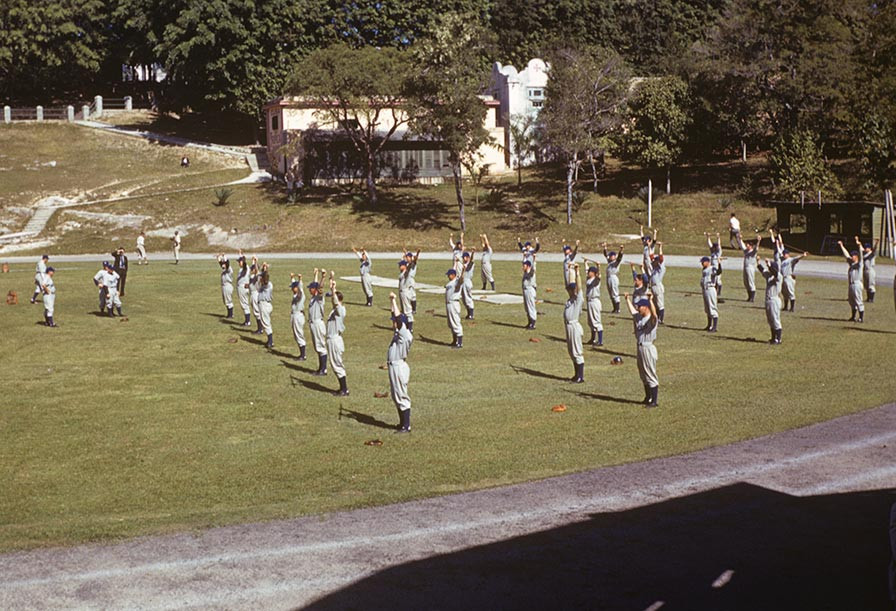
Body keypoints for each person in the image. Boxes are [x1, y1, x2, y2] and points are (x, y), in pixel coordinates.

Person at [626, 292, 659, 408]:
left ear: (646, 307)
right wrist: (627, 299)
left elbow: (655, 315)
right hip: (639, 347)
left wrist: (651, 300)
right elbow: (632, 312)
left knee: (650, 373)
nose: (637, 308)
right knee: (643, 374)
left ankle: (654, 400)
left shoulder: (651, 319)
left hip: (648, 347)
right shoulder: (639, 317)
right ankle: (648, 397)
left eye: (639, 306)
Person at [387, 291, 413, 433]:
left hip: (399, 366)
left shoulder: (405, 334)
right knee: (396, 395)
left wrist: (394, 300)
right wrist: (391, 303)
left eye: (394, 322)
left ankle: (406, 425)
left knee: (401, 395)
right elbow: (395, 316)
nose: (392, 323)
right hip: (394, 366)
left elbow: (397, 317)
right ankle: (402, 423)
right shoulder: (399, 333)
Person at [773, 230, 808, 312]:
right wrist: (778, 242)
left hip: (788, 277)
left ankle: (792, 308)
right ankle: (786, 307)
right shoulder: (781, 260)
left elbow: (797, 258)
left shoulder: (790, 260)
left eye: (785, 254)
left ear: (788, 254)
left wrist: (803, 255)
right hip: (783, 278)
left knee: (790, 292)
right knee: (784, 293)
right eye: (784, 254)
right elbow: (779, 248)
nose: (784, 255)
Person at [326, 277, 349, 396]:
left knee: (337, 364)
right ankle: (343, 388)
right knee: (335, 364)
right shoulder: (336, 310)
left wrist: (333, 289)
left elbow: (335, 302)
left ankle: (344, 389)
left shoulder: (340, 310)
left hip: (335, 339)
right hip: (332, 339)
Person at [563, 263, 585, 384]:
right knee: (571, 351)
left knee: (577, 351)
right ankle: (576, 374)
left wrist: (577, 272)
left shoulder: (578, 299)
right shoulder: (570, 300)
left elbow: (579, 286)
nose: (569, 291)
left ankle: (580, 376)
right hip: (568, 326)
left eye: (571, 289)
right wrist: (570, 269)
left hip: (574, 326)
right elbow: (569, 282)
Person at [838, 237, 865, 323]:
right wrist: (841, 246)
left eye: (853, 255)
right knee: (851, 301)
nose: (851, 257)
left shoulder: (859, 264)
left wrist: (859, 246)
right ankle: (853, 316)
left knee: (858, 300)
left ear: (856, 257)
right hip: (851, 284)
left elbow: (861, 256)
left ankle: (861, 317)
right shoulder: (851, 264)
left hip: (857, 284)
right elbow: (846, 255)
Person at [757, 257, 783, 344]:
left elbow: (775, 273)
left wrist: (769, 265)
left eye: (771, 267)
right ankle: (773, 338)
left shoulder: (779, 276)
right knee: (770, 320)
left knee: (775, 319)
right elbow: (762, 270)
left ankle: (778, 339)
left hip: (774, 299)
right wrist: (758, 262)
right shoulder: (769, 275)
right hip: (768, 300)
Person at [308, 269, 329, 375]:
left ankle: (324, 369)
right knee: (317, 346)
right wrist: (315, 274)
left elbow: (320, 288)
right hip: (313, 323)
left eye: (310, 289)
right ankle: (320, 368)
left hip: (317, 324)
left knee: (321, 346)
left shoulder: (319, 298)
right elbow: (316, 286)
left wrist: (323, 277)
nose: (309, 290)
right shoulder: (313, 298)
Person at [444, 265, 467, 348]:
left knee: (456, 322)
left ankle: (459, 342)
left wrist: (463, 272)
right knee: (451, 323)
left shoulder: (456, 281)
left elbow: (461, 280)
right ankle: (454, 340)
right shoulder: (449, 283)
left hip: (454, 304)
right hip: (449, 304)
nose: (448, 276)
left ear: (453, 275)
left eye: (449, 275)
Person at [582, 259, 604, 346]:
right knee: (591, 321)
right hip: (590, 301)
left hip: (595, 301)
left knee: (596, 321)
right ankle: (593, 338)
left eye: (590, 272)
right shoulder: (589, 279)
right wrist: (585, 263)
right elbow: (586, 270)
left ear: (594, 273)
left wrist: (598, 266)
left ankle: (600, 340)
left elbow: (599, 275)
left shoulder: (596, 280)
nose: (588, 273)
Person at [737, 234, 761, 302]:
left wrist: (758, 241)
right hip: (745, 267)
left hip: (750, 267)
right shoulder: (746, 251)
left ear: (751, 246)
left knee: (750, 282)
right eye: (747, 244)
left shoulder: (753, 252)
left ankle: (752, 298)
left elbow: (756, 248)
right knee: (746, 282)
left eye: (748, 245)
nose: (747, 246)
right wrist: (740, 238)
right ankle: (749, 296)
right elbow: (741, 245)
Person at [289, 273, 307, 361]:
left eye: (293, 287)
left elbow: (300, 287)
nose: (292, 289)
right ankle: (302, 354)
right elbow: (296, 285)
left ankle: (303, 355)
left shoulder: (301, 295)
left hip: (298, 316)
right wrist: (292, 278)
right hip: (295, 315)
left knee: (299, 334)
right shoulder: (296, 294)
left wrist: (300, 279)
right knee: (297, 334)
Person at [602, 243, 624, 313]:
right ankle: (614, 308)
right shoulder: (610, 261)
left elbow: (620, 257)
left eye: (612, 256)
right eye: (610, 256)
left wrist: (621, 250)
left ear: (615, 256)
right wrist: (605, 247)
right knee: (611, 293)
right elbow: (605, 255)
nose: (611, 257)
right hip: (609, 278)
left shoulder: (616, 262)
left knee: (615, 293)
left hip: (613, 277)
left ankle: (618, 309)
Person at [648, 242, 666, 324]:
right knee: (655, 303)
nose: (653, 262)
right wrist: (649, 247)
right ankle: (656, 317)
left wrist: (660, 247)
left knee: (660, 304)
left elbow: (661, 258)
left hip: (658, 286)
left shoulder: (660, 267)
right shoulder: (654, 268)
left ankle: (661, 319)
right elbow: (651, 256)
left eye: (655, 261)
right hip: (653, 287)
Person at [700, 256, 719, 332]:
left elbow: (719, 272)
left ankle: (714, 327)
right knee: (707, 309)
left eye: (703, 262)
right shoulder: (704, 269)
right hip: (705, 289)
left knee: (712, 308)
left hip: (710, 289)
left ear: (707, 262)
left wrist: (719, 263)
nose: (702, 263)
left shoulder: (712, 269)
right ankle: (709, 325)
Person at [257, 266, 274, 348]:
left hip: (264, 305)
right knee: (266, 322)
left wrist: (265, 271)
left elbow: (266, 280)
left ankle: (271, 341)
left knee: (266, 323)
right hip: (264, 305)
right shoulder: (264, 284)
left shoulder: (268, 285)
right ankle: (270, 340)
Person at [398, 258, 416, 333]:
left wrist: (410, 263)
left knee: (408, 310)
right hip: (402, 292)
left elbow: (408, 268)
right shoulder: (402, 273)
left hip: (405, 292)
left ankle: (410, 327)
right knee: (404, 310)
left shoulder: (406, 272)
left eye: (400, 265)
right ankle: (406, 325)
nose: (399, 267)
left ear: (404, 266)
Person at [705, 232, 724, 297]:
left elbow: (719, 244)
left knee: (718, 280)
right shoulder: (713, 252)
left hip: (717, 267)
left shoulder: (718, 252)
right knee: (713, 279)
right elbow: (709, 244)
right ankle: (715, 289)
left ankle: (719, 291)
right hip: (712, 267)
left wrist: (718, 238)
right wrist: (708, 237)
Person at [521, 256, 537, 330]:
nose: (522, 267)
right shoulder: (525, 272)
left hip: (530, 290)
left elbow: (533, 269)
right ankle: (529, 322)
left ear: (527, 266)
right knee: (526, 307)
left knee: (531, 306)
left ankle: (533, 323)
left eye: (524, 266)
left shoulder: (531, 271)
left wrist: (534, 259)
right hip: (525, 290)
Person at [235, 254, 252, 326]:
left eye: (239, 262)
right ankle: (247, 321)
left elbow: (245, 266)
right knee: (244, 304)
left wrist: (243, 260)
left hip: (243, 288)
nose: (238, 263)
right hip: (241, 287)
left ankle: (247, 321)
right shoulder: (242, 269)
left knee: (244, 304)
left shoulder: (245, 268)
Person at [216, 254, 234, 319]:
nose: (223, 265)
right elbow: (222, 265)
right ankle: (229, 314)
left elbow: (227, 264)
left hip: (227, 286)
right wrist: (219, 260)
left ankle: (231, 314)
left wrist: (224, 257)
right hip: (224, 286)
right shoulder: (225, 269)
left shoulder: (229, 269)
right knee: (226, 300)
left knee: (228, 300)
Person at [460, 250, 476, 320]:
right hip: (463, 282)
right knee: (464, 299)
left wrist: (472, 253)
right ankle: (468, 313)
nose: (463, 259)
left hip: (467, 282)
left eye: (465, 257)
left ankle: (471, 314)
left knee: (468, 298)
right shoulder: (463, 264)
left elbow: (472, 260)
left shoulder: (470, 264)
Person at [403, 249, 420, 313]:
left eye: (407, 257)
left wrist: (417, 253)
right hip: (406, 279)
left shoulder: (413, 263)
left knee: (412, 294)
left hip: (410, 279)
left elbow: (415, 259)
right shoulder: (407, 263)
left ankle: (414, 309)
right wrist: (405, 252)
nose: (406, 258)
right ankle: (407, 307)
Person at [249, 259, 263, 334]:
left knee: (257, 312)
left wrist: (256, 261)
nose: (251, 269)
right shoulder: (252, 276)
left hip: (255, 294)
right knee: (255, 312)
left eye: (252, 268)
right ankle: (260, 328)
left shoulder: (258, 276)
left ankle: (260, 329)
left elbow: (257, 271)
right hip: (252, 294)